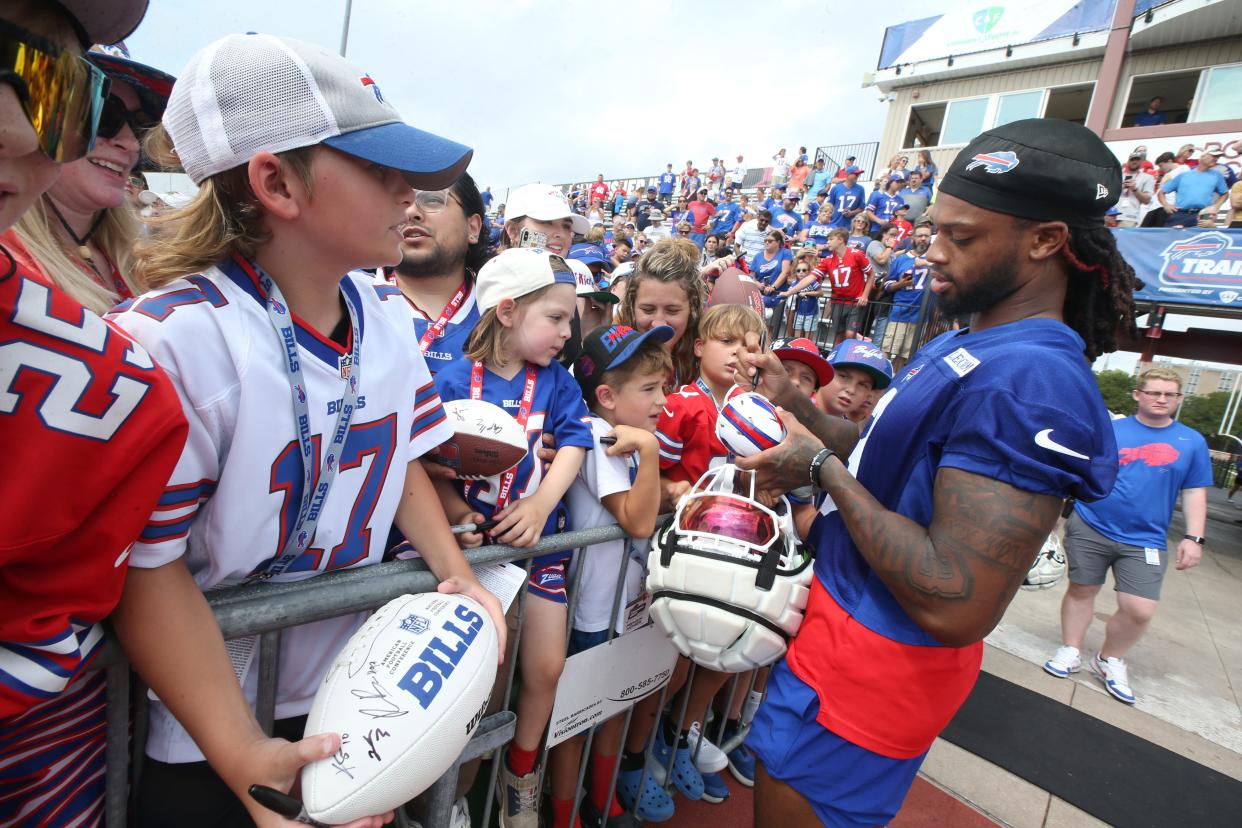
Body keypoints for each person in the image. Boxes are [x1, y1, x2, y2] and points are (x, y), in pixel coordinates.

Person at [107, 32, 505, 828]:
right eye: (382, 171)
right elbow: (147, 569)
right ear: (277, 182)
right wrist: (244, 757)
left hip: (356, 689)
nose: (411, 197)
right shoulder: (173, 339)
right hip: (205, 715)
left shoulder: (388, 317)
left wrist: (452, 570)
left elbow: (399, 471)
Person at [734, 118, 1136, 827]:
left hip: (875, 662)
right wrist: (802, 406)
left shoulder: (1031, 377)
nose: (934, 254)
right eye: (934, 230)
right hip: (842, 635)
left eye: (964, 236)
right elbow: (889, 457)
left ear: (1046, 240)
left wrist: (819, 468)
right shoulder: (973, 336)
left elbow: (956, 600)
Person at [0, 4, 189, 826]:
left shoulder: (139, 273)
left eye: (60, 93)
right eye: (102, 117)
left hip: (80, 725)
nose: (121, 140)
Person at [433, 249, 593, 828]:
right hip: (468, 560)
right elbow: (419, 465)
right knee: (472, 689)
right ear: (505, 311)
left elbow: (573, 443)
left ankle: (519, 777)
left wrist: (541, 502)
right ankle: (452, 795)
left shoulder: (556, 382)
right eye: (555, 317)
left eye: (570, 319)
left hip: (537, 551)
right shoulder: (446, 373)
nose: (567, 333)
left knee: (545, 668)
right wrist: (454, 512)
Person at [548, 324, 673, 828]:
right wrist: (651, 449)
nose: (662, 400)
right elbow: (639, 519)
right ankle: (565, 814)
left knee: (616, 703)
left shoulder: (631, 436)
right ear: (606, 395)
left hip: (626, 601)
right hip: (593, 607)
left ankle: (603, 799)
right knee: (577, 718)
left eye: (662, 387)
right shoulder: (597, 436)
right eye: (649, 389)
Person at [1044, 368, 1210, 704]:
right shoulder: (1110, 431)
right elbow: (1076, 474)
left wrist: (1195, 538)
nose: (1161, 399)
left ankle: (1109, 659)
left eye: (1169, 395)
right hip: (1092, 524)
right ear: (1138, 394)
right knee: (1082, 590)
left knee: (1139, 609)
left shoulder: (1191, 442)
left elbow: (1194, 492)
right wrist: (1055, 519)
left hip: (1146, 539)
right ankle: (1071, 649)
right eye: (1154, 392)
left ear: (1179, 399)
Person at [12, 49, 173, 315]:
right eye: (100, 115)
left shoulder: (148, 265)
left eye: (140, 125)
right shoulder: (10, 264)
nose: (131, 143)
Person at [381, 172, 487, 375]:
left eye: (431, 200)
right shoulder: (344, 298)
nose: (411, 212)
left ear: (472, 227)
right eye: (400, 201)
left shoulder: (504, 316)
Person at [881, 223, 932, 371]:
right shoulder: (901, 259)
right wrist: (900, 284)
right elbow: (887, 285)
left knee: (904, 356)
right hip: (900, 312)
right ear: (912, 238)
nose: (923, 239)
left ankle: (894, 383)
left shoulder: (933, 259)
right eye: (920, 235)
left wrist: (927, 263)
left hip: (922, 315)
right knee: (888, 350)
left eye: (926, 236)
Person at [811, 228, 873, 345]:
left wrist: (864, 295)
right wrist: (790, 292)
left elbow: (871, 274)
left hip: (855, 301)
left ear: (840, 240)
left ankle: (849, 358)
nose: (827, 242)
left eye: (830, 239)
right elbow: (812, 277)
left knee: (850, 334)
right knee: (838, 334)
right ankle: (835, 360)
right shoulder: (828, 260)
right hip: (837, 301)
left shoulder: (857, 254)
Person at [502, 183, 590, 255]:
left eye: (566, 226)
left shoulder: (575, 274)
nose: (561, 234)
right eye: (546, 222)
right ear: (513, 231)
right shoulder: (494, 275)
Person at [1157, 150, 1229, 228]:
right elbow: (1161, 192)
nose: (1216, 159)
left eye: (1217, 157)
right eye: (1213, 156)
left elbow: (1225, 193)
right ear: (1202, 157)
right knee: (1170, 238)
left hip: (1203, 213)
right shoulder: (1184, 175)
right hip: (1180, 213)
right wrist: (1166, 205)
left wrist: (1216, 206)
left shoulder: (1217, 176)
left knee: (1203, 238)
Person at [1115, 151, 1156, 228]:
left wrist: (1135, 189)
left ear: (1142, 162)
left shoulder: (1148, 177)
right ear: (1128, 161)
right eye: (1132, 159)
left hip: (1130, 216)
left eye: (1137, 159)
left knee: (1124, 239)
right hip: (1111, 215)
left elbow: (1147, 200)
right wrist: (1120, 187)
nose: (1134, 161)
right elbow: (1107, 193)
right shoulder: (1117, 175)